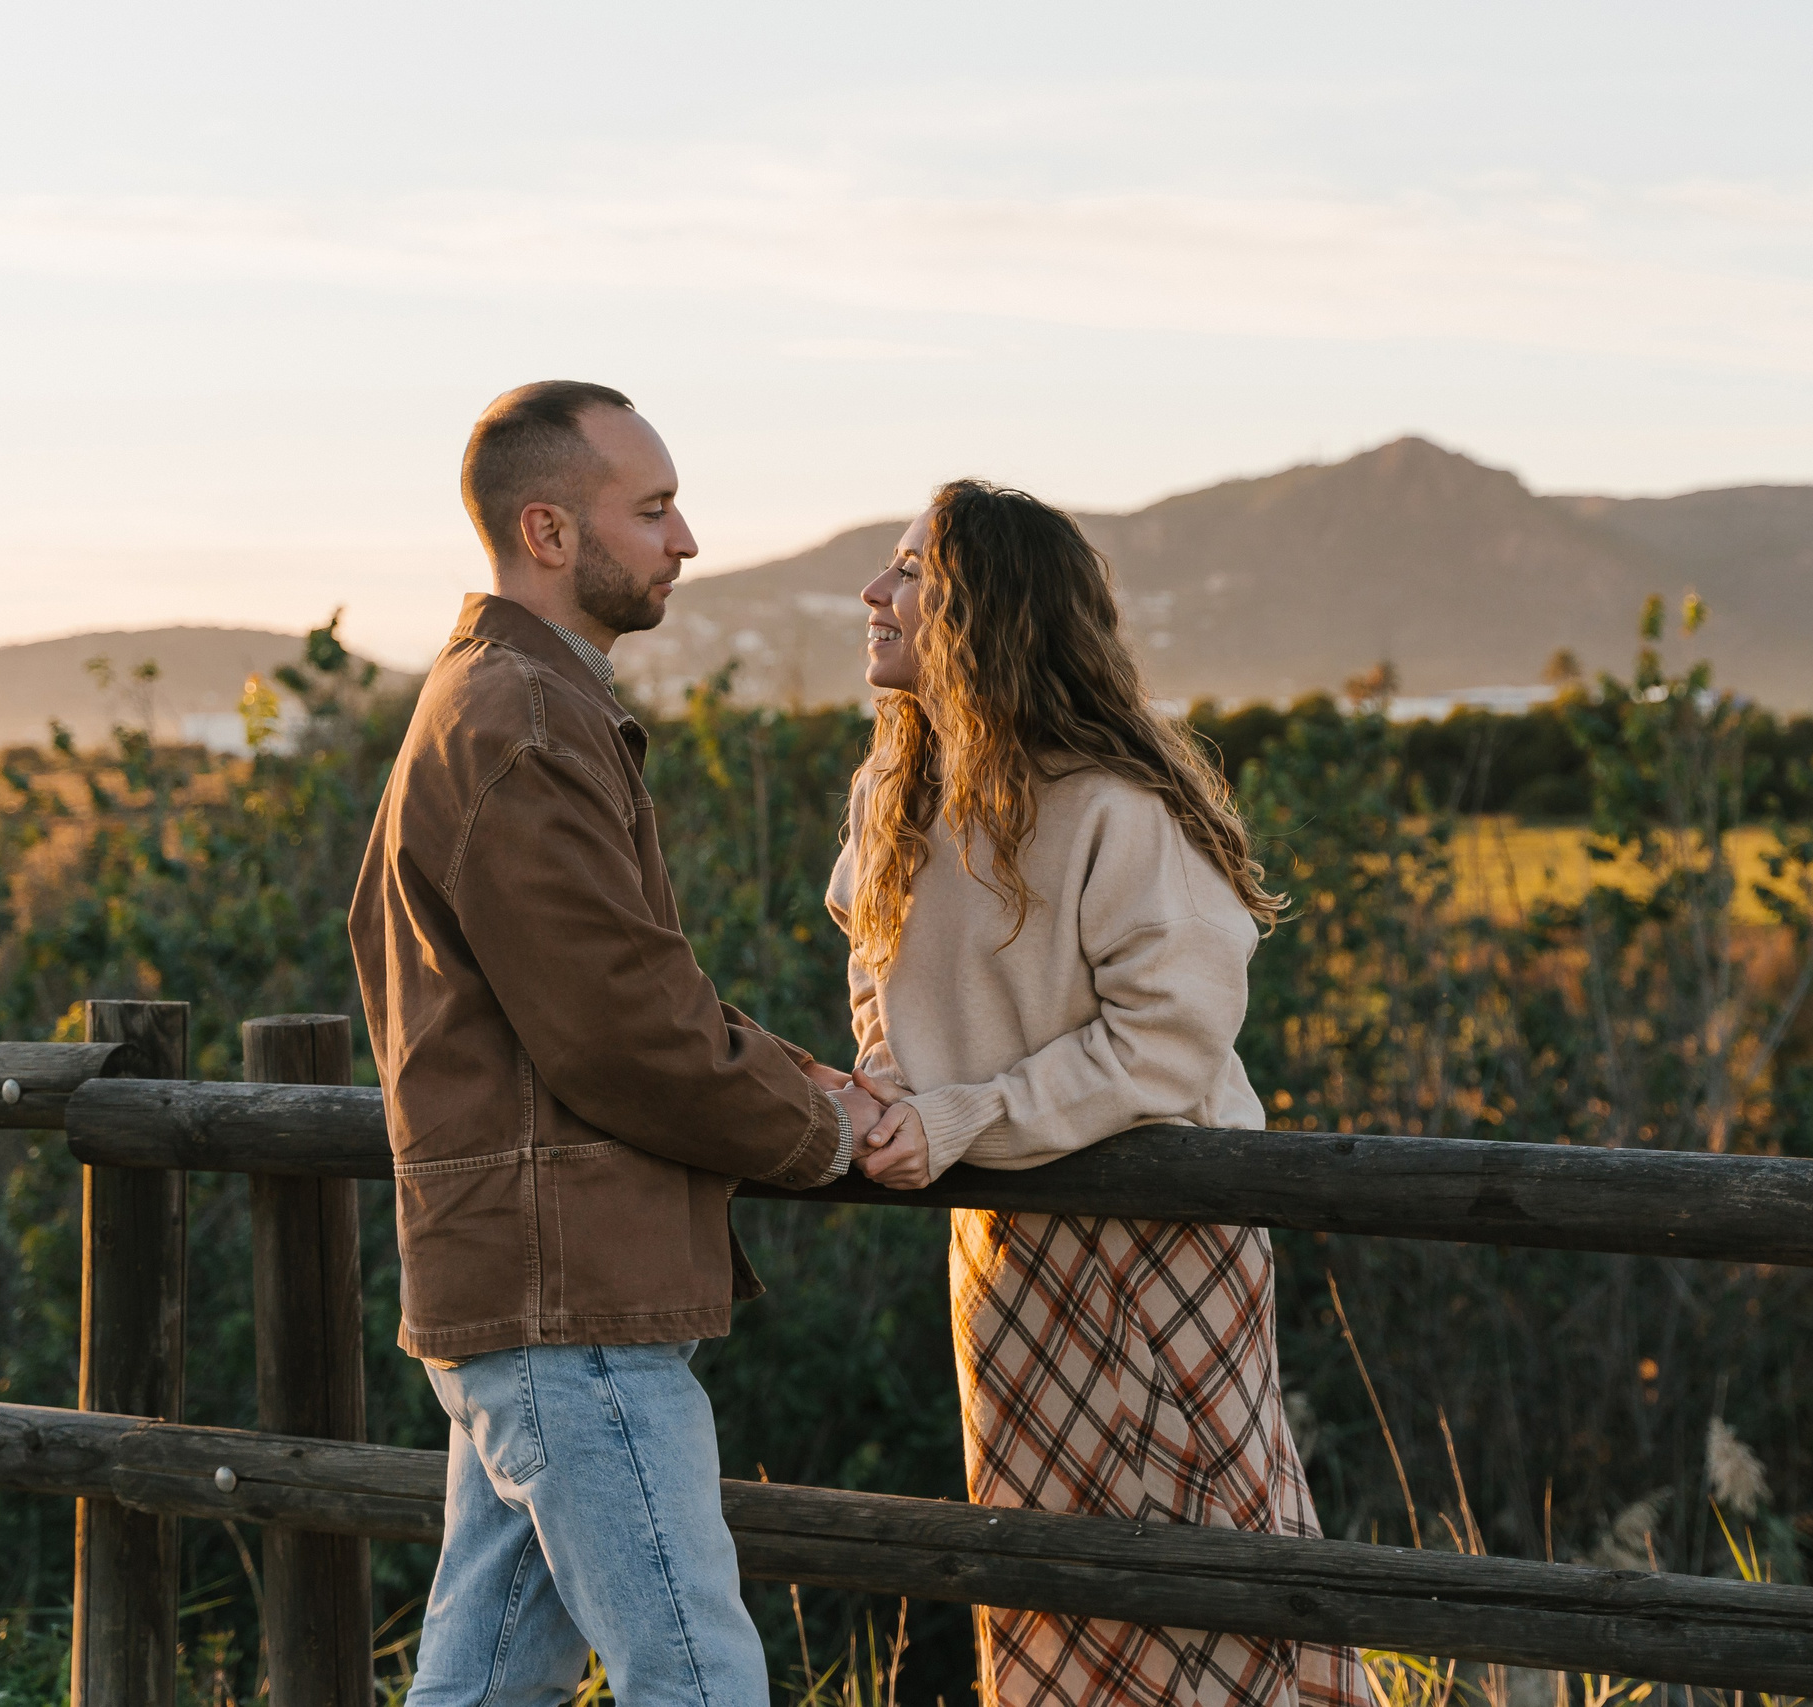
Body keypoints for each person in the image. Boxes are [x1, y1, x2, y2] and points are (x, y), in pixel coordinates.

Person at [349, 380, 882, 1705]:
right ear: (546, 530)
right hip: (565, 1296)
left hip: (535, 1284)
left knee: (483, 1684)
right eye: (651, 509)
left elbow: (623, 986)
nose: (685, 538)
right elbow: (623, 1024)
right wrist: (827, 1128)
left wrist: (790, 1070)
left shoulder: (508, 701)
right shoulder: (521, 722)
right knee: (695, 1674)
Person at [826, 480, 1367, 1707]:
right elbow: (876, 978)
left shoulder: (1117, 811)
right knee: (1042, 1580)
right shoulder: (896, 800)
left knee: (1214, 1560)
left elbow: (1166, 1048)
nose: (874, 594)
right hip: (1006, 1254)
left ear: (984, 611)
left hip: (1161, 1235)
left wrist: (959, 1118)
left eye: (908, 571)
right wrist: (889, 1092)